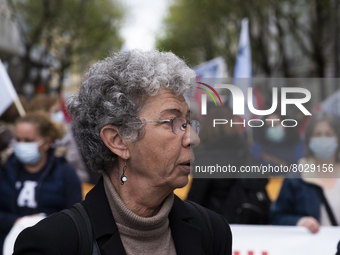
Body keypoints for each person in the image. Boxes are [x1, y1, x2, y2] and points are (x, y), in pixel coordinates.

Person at [13, 50, 232, 255]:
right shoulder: (53, 243)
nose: (193, 138)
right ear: (118, 141)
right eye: (172, 122)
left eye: (189, 122)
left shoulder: (212, 231)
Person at [0, 112, 82, 254]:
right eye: (18, 140)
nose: (21, 145)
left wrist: (44, 222)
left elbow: (75, 216)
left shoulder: (64, 172)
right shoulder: (6, 168)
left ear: (46, 142)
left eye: (28, 140)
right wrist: (18, 221)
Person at [188, 106, 271, 224]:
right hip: (249, 225)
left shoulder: (205, 160)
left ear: (206, 126)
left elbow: (195, 202)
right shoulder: (247, 155)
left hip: (215, 227)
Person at [271, 112, 340, 233]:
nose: (323, 139)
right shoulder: (296, 178)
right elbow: (277, 217)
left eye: (329, 134)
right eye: (317, 134)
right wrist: (299, 222)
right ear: (309, 139)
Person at [27, 94, 92, 183]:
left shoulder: (69, 135)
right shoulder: (27, 137)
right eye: (56, 111)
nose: (60, 114)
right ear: (43, 113)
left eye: (59, 111)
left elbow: (84, 174)